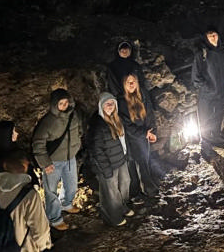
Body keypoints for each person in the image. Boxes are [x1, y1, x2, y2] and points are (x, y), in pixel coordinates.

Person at [31, 89, 83, 231]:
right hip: (53, 161)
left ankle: (66, 203)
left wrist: (76, 146)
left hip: (70, 157)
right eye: (61, 103)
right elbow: (38, 143)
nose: (65, 105)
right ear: (55, 105)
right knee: (51, 191)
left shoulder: (74, 116)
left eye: (66, 102)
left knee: (71, 185)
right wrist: (45, 163)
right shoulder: (47, 122)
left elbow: (79, 130)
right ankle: (54, 218)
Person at [86, 93, 134, 227]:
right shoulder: (97, 124)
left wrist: (126, 156)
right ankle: (113, 217)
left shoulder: (116, 120)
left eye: (112, 103)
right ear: (101, 106)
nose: (110, 106)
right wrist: (105, 168)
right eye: (107, 103)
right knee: (111, 192)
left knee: (125, 184)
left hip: (120, 160)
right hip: (108, 164)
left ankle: (122, 207)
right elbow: (97, 149)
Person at [117, 73, 162, 198]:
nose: (131, 84)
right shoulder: (121, 102)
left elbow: (150, 114)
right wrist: (143, 133)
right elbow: (125, 124)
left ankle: (147, 189)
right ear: (124, 85)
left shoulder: (143, 96)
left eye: (133, 81)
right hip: (132, 139)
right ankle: (142, 191)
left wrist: (152, 132)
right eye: (128, 82)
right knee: (135, 164)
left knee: (145, 162)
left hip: (144, 136)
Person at [191, 26, 224, 142]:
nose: (213, 38)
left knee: (218, 115)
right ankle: (206, 144)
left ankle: (216, 136)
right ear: (206, 38)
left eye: (215, 35)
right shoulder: (201, 54)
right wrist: (207, 87)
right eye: (210, 36)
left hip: (221, 91)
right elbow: (196, 76)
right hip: (207, 94)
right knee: (205, 119)